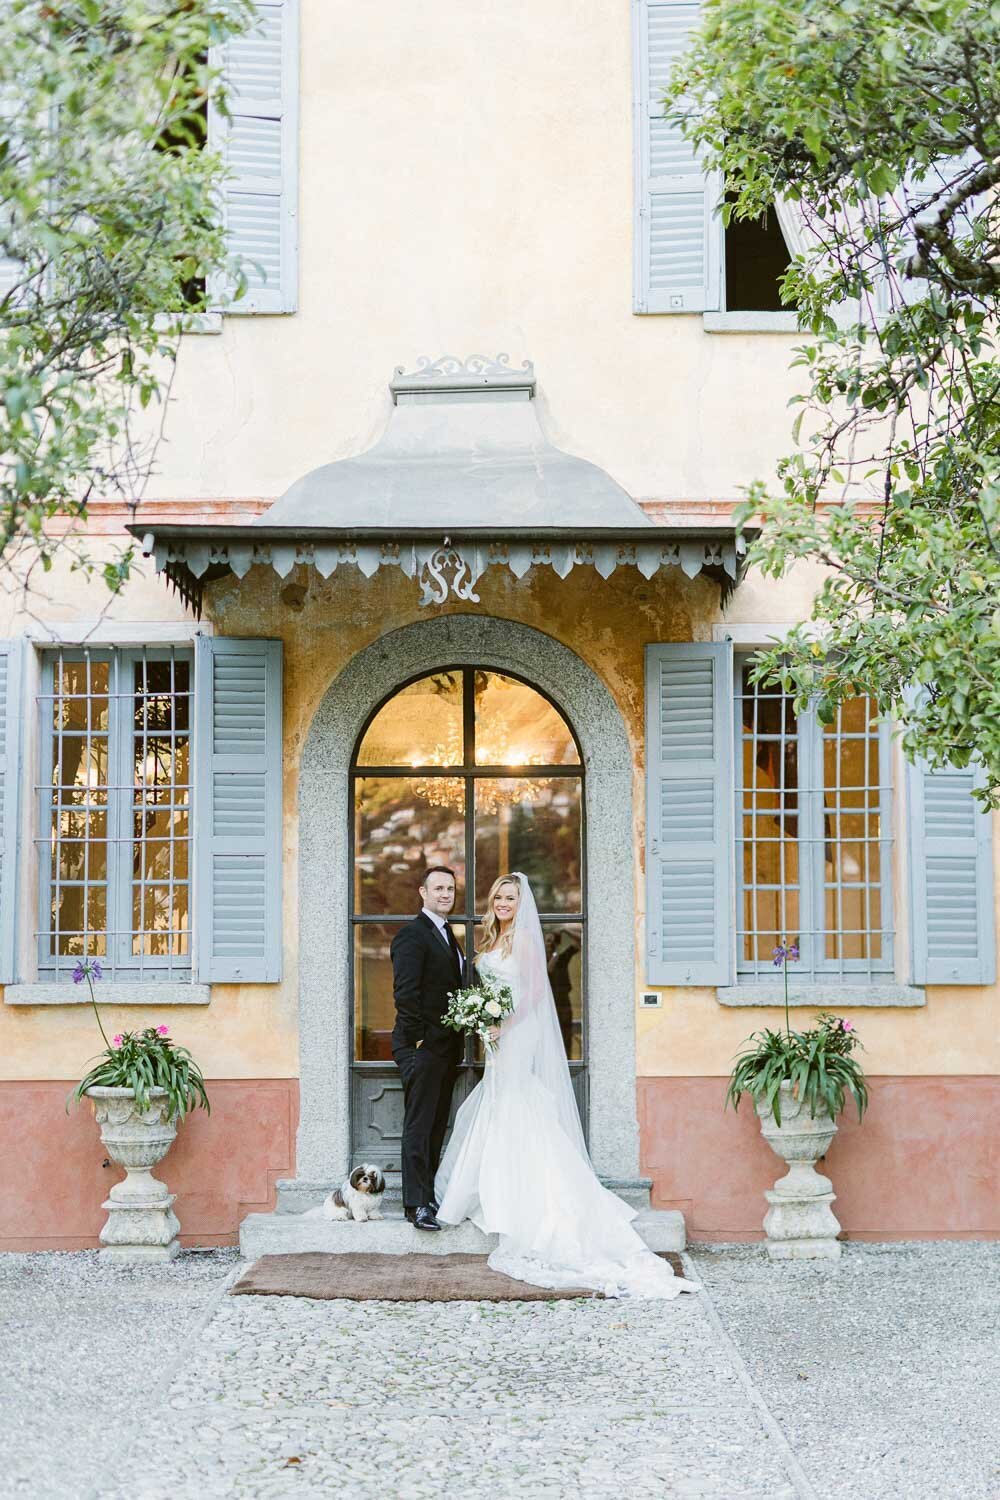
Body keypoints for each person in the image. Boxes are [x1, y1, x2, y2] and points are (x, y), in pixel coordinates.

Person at [435, 872, 701, 1298]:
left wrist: (503, 1024)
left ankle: (524, 1196)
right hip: (497, 1037)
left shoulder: (522, 940)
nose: (504, 903)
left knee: (516, 1105)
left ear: (522, 904)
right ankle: (495, 1191)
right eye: (499, 896)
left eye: (511, 897)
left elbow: (536, 993)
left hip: (517, 1035)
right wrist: (482, 1019)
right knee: (500, 1103)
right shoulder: (490, 939)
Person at [390, 866, 466, 1231]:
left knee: (436, 1125)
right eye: (438, 888)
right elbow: (405, 993)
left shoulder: (449, 935)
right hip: (422, 1047)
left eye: (450, 889)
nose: (445, 894)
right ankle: (416, 1205)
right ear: (422, 892)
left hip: (447, 1048)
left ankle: (429, 1196)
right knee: (419, 1126)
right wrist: (418, 1040)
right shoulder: (412, 936)